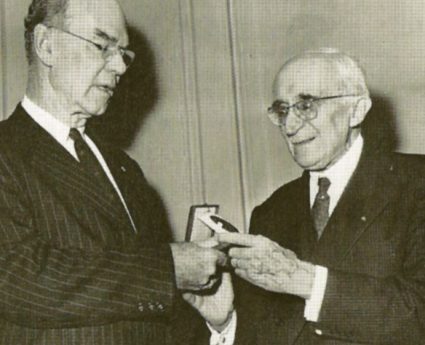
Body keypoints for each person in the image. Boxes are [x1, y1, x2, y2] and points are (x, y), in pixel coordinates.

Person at [0, 0, 227, 344]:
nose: (120, 66)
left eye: (124, 53)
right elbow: (19, 278)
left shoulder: (125, 169)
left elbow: (154, 311)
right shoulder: (7, 150)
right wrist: (169, 268)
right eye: (103, 45)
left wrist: (218, 325)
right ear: (47, 45)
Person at [187, 48, 425, 344]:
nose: (289, 126)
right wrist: (226, 323)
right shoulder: (272, 210)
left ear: (357, 109)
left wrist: (305, 282)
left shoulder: (416, 184)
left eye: (306, 104)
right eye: (282, 110)